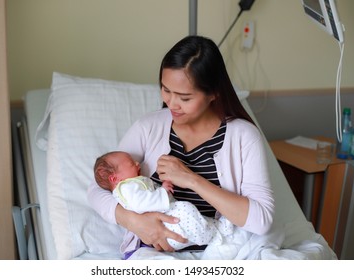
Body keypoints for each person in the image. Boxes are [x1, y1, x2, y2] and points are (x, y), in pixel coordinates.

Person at [87, 35, 274, 257]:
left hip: (221, 250)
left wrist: (190, 179)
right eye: (166, 90)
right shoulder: (148, 128)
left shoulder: (244, 136)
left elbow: (261, 220)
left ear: (213, 93)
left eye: (184, 98)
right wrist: (135, 223)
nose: (172, 104)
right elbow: (97, 190)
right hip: (156, 253)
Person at [93, 150, 230, 259]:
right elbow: (141, 204)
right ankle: (212, 235)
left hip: (169, 227)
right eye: (130, 163)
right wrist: (163, 191)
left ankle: (214, 228)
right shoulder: (127, 187)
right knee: (185, 209)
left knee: (188, 213)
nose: (137, 163)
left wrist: (162, 189)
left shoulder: (132, 184)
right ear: (114, 178)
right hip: (163, 231)